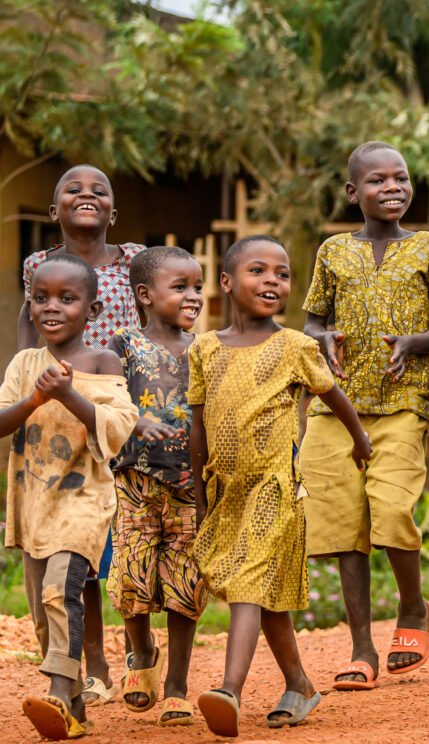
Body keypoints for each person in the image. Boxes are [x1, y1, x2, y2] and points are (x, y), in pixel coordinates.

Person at [188, 235, 372, 736]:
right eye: (258, 270)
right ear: (226, 282)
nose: (272, 280)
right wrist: (202, 498)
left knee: (249, 581)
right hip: (226, 491)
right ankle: (300, 685)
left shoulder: (295, 346)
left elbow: (333, 395)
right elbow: (198, 429)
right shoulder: (205, 348)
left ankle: (230, 689)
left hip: (275, 486)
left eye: (282, 274)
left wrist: (360, 440)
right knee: (265, 602)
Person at [302, 142, 429, 689]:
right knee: (345, 526)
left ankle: (414, 608)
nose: (392, 187)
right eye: (377, 181)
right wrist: (324, 339)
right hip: (336, 404)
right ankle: (361, 647)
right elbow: (311, 323)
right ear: (354, 193)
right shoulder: (332, 252)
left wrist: (416, 343)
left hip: (401, 402)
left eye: (401, 178)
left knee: (392, 511)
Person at [18, 164, 145, 708]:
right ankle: (93, 665)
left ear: (114, 212)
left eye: (99, 191)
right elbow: (28, 329)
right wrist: (27, 383)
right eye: (73, 189)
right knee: (81, 547)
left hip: (121, 405)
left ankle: (141, 648)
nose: (86, 195)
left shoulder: (135, 259)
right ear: (55, 210)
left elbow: (157, 320)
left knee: (134, 535)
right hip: (59, 412)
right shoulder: (39, 267)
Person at [3, 255, 137, 741]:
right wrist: (36, 399)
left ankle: (59, 693)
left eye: (66, 298)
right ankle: (75, 708)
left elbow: (121, 426)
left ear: (94, 309)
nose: (51, 307)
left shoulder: (103, 362)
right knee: (43, 612)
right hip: (35, 504)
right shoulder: (25, 365)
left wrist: (68, 394)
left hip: (83, 504)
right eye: (41, 298)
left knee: (62, 590)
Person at [107, 247, 207, 726]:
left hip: (189, 485)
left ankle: (177, 686)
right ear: (145, 295)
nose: (193, 296)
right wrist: (136, 419)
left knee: (186, 582)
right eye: (180, 287)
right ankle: (143, 653)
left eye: (197, 287)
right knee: (131, 575)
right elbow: (103, 401)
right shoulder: (121, 346)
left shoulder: (206, 349)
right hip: (134, 481)